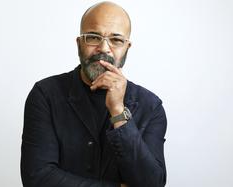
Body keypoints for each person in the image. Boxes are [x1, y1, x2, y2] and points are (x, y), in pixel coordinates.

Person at [21, 1, 167, 187]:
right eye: (93, 37)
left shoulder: (151, 107)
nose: (104, 48)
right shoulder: (45, 95)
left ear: (127, 48)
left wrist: (118, 113)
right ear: (79, 43)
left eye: (116, 40)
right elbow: (37, 179)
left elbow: (152, 184)